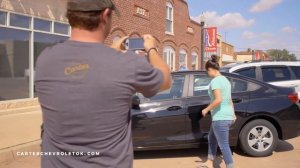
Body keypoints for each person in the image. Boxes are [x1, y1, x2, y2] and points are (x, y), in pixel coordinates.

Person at [34, 0, 172, 168]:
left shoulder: (45, 59)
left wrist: (111, 52)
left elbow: (87, 74)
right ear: (105, 14)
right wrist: (151, 48)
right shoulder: (126, 64)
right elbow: (165, 80)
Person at [199, 55, 236, 168]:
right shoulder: (226, 80)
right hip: (228, 116)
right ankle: (210, 162)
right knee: (212, 138)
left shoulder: (215, 81)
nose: (207, 74)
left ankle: (230, 166)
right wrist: (233, 114)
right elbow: (229, 100)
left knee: (224, 145)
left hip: (220, 118)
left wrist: (206, 109)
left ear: (211, 69)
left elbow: (218, 99)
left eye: (207, 71)